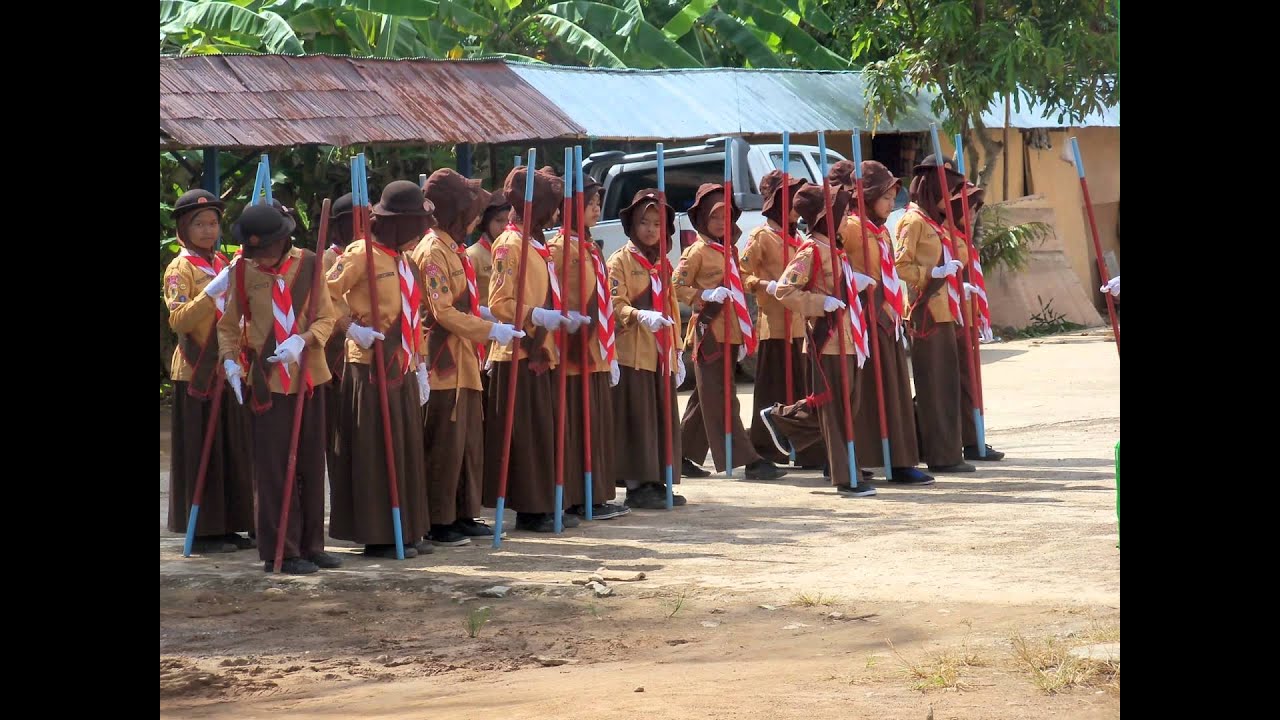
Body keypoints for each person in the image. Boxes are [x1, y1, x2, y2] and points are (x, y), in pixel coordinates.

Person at [218, 202, 342, 574]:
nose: (260, 259)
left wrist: (303, 340)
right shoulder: (243, 271)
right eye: (253, 252)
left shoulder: (309, 264)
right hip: (266, 381)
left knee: (309, 463)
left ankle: (311, 545)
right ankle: (281, 550)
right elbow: (228, 325)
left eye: (266, 251)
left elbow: (327, 317)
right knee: (273, 469)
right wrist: (228, 361)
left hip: (309, 375)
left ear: (283, 241)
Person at [412, 169, 526, 546]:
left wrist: (488, 317)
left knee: (468, 442)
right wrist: (488, 330)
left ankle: (463, 512)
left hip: (466, 358)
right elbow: (441, 310)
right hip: (444, 358)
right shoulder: (432, 252)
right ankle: (439, 518)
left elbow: (465, 304)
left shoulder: (454, 250)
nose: (477, 219)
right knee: (445, 440)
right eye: (471, 211)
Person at [326, 180, 435, 558]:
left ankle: (407, 528)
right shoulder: (362, 254)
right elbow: (325, 293)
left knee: (405, 446)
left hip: (401, 364)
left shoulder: (402, 260)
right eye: (415, 224)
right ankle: (379, 533)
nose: (420, 233)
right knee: (375, 449)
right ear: (396, 222)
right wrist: (349, 327)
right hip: (369, 367)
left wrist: (420, 362)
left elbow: (412, 315)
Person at [163, 189, 256, 555]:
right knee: (202, 448)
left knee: (231, 446)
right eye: (199, 224)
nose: (207, 230)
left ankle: (232, 521)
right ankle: (204, 529)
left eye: (213, 223)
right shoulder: (180, 268)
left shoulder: (223, 264)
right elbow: (178, 319)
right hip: (195, 369)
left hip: (229, 366)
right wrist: (211, 294)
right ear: (184, 229)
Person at [672, 183, 786, 481]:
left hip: (730, 333)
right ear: (700, 221)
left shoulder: (731, 251)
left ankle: (681, 453)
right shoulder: (696, 251)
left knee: (705, 397)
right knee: (722, 398)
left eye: (726, 217)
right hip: (708, 335)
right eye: (714, 217)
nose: (721, 223)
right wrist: (703, 294)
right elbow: (677, 285)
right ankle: (748, 459)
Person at [776, 184, 878, 496]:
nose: (848, 219)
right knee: (836, 412)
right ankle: (845, 477)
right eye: (843, 214)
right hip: (828, 340)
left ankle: (783, 418)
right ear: (827, 217)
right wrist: (821, 304)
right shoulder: (810, 251)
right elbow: (785, 290)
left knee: (851, 406)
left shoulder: (836, 250)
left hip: (849, 338)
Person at [608, 189, 688, 509]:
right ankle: (637, 484)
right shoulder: (620, 261)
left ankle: (658, 478)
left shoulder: (663, 265)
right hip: (634, 354)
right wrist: (637, 314)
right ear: (631, 225)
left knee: (660, 417)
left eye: (657, 223)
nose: (652, 229)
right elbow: (614, 305)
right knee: (637, 419)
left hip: (661, 354)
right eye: (644, 222)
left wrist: (678, 350)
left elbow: (673, 310)